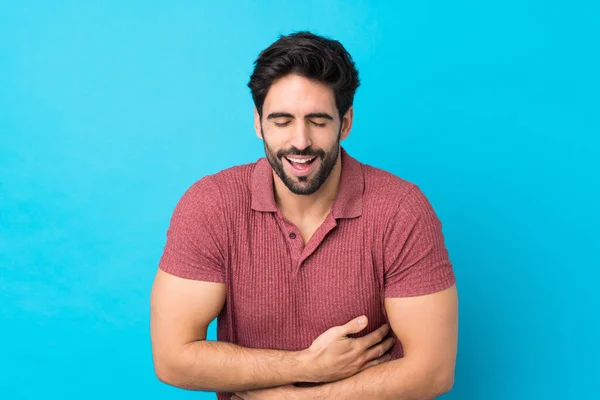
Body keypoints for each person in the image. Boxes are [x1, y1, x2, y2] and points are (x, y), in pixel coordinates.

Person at [150, 31, 458, 400]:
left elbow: (433, 372)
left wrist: (301, 398)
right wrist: (306, 365)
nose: (300, 141)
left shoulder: (401, 210)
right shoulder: (211, 205)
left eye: (318, 120)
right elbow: (172, 358)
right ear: (257, 121)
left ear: (345, 123)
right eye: (281, 121)